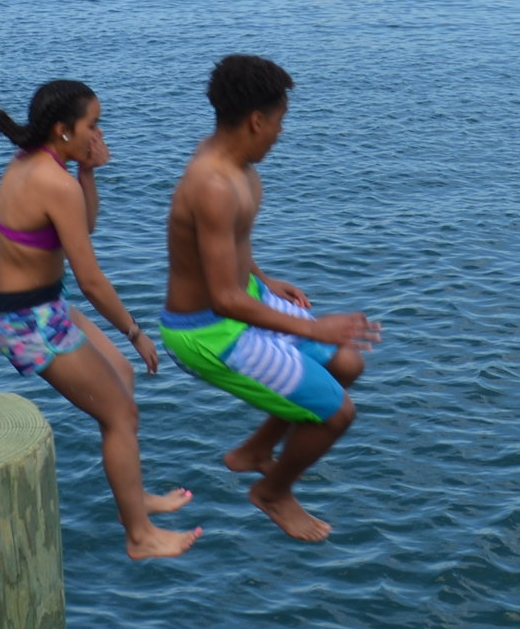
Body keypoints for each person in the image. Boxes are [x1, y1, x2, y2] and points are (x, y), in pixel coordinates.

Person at [0, 80, 199, 560]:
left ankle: (133, 499)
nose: (99, 131)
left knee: (122, 382)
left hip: (43, 305)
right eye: (92, 124)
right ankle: (138, 535)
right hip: (26, 321)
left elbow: (83, 225)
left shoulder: (45, 165)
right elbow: (91, 280)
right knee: (120, 414)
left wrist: (89, 170)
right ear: (62, 128)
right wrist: (134, 331)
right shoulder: (52, 181)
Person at [161, 55, 380, 542]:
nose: (282, 133)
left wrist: (263, 277)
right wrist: (311, 327)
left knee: (347, 364)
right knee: (337, 413)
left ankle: (255, 451)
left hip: (245, 298)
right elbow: (222, 299)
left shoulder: (233, 163)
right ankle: (273, 492)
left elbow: (227, 247)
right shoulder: (213, 184)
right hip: (208, 332)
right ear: (256, 121)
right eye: (280, 121)